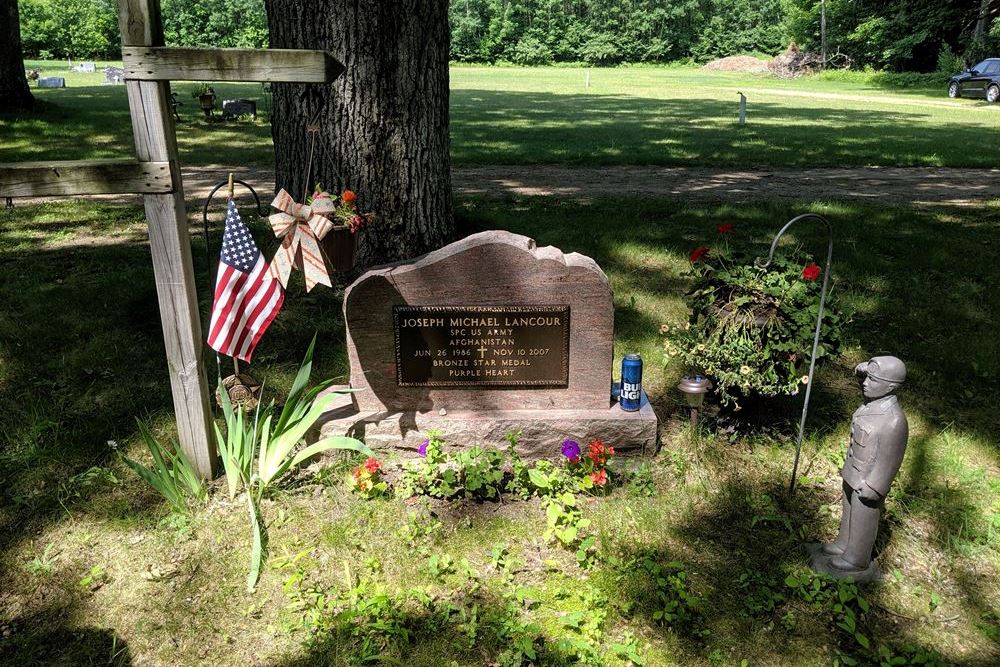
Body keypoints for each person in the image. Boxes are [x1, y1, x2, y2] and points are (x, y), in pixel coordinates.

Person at [821, 356, 908, 574]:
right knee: (849, 510)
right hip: (854, 471)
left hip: (868, 481)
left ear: (890, 387)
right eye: (866, 378)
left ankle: (856, 557)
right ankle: (844, 543)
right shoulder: (870, 405)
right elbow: (863, 379)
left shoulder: (893, 420)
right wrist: (864, 369)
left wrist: (876, 486)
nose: (865, 383)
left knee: (864, 515)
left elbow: (890, 459)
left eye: (873, 380)